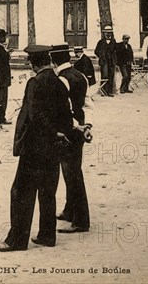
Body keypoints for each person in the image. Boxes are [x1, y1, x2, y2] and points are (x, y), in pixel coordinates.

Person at [0, 45, 73, 252]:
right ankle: (47, 235)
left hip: (35, 148)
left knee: (22, 192)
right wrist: (59, 133)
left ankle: (16, 240)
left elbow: (34, 116)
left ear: (33, 63)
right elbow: (66, 116)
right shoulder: (60, 82)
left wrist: (50, 132)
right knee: (48, 192)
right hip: (54, 148)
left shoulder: (35, 83)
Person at [50, 43, 92, 234]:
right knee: (72, 169)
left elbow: (63, 109)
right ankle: (69, 210)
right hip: (79, 124)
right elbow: (84, 103)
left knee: (72, 172)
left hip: (69, 127)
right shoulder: (80, 76)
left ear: (53, 60)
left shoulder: (61, 80)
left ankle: (81, 221)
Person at [94, 25, 117, 96]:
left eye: (109, 33)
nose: (108, 34)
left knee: (111, 76)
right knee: (104, 76)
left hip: (111, 62)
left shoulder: (114, 42)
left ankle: (109, 92)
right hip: (104, 62)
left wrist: (114, 58)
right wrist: (101, 56)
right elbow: (96, 51)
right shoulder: (100, 42)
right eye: (106, 33)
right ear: (104, 34)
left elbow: (116, 51)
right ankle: (103, 91)